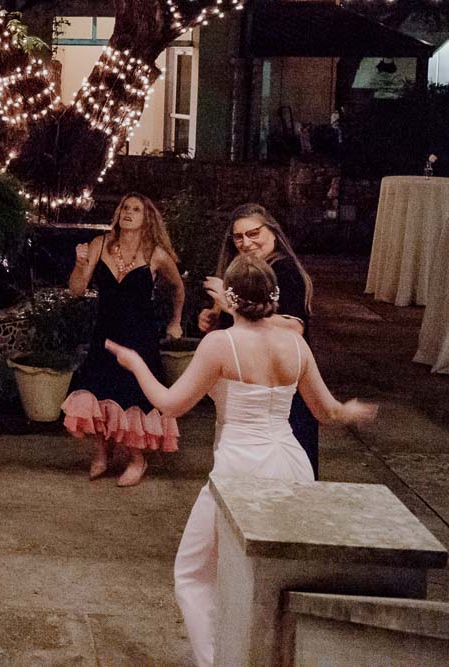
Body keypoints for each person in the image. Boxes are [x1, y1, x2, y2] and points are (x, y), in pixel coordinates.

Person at [107, 254, 377, 667]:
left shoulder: (222, 344)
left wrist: (136, 364)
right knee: (274, 575)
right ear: (273, 295)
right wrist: (352, 410)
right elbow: (327, 413)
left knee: (194, 573)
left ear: (230, 298)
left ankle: (220, 660)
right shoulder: (295, 343)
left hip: (241, 470)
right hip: (291, 464)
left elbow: (169, 405)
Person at [60, 193, 186, 487]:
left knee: (134, 397)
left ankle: (137, 459)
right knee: (99, 390)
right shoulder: (100, 244)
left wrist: (176, 321)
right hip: (105, 331)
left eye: (136, 209)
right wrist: (80, 265)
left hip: (140, 336)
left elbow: (179, 288)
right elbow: (77, 290)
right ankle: (103, 454)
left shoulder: (156, 253)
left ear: (147, 218)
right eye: (125, 208)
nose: (128, 213)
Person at [196, 203, 321, 476]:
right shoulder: (244, 270)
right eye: (239, 237)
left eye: (254, 233)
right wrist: (212, 319)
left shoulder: (284, 271)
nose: (246, 242)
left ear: (273, 233)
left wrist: (232, 307)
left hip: (283, 390)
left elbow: (294, 328)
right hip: (250, 389)